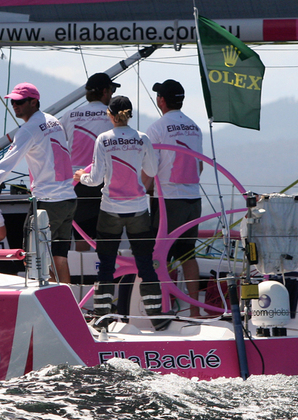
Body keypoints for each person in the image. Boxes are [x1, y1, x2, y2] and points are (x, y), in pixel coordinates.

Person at [0, 82, 77, 284]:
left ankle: (54, 307)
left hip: (47, 202)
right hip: (68, 199)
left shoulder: (28, 130)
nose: (15, 105)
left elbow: (5, 165)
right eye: (12, 102)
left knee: (34, 258)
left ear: (34, 102)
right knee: (60, 258)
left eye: (19, 101)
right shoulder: (54, 121)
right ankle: (70, 307)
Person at [75, 95, 171, 331]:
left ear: (110, 114)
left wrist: (80, 177)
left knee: (106, 265)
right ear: (130, 115)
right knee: (146, 264)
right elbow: (151, 169)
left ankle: (102, 320)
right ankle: (157, 319)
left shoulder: (103, 139)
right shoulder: (142, 138)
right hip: (138, 209)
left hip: (110, 209)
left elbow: (96, 179)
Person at [144, 79, 204, 305]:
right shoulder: (194, 127)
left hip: (168, 200)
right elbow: (200, 166)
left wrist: (139, 191)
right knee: (188, 254)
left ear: (161, 100)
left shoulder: (156, 128)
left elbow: (150, 169)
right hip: (193, 199)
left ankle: (166, 305)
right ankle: (195, 309)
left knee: (160, 255)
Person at [61, 72, 118, 251]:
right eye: (111, 90)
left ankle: (82, 277)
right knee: (107, 235)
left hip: (75, 181)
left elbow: (58, 147)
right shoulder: (113, 117)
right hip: (103, 179)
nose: (112, 94)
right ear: (104, 92)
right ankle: (104, 274)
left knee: (81, 236)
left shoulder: (69, 115)